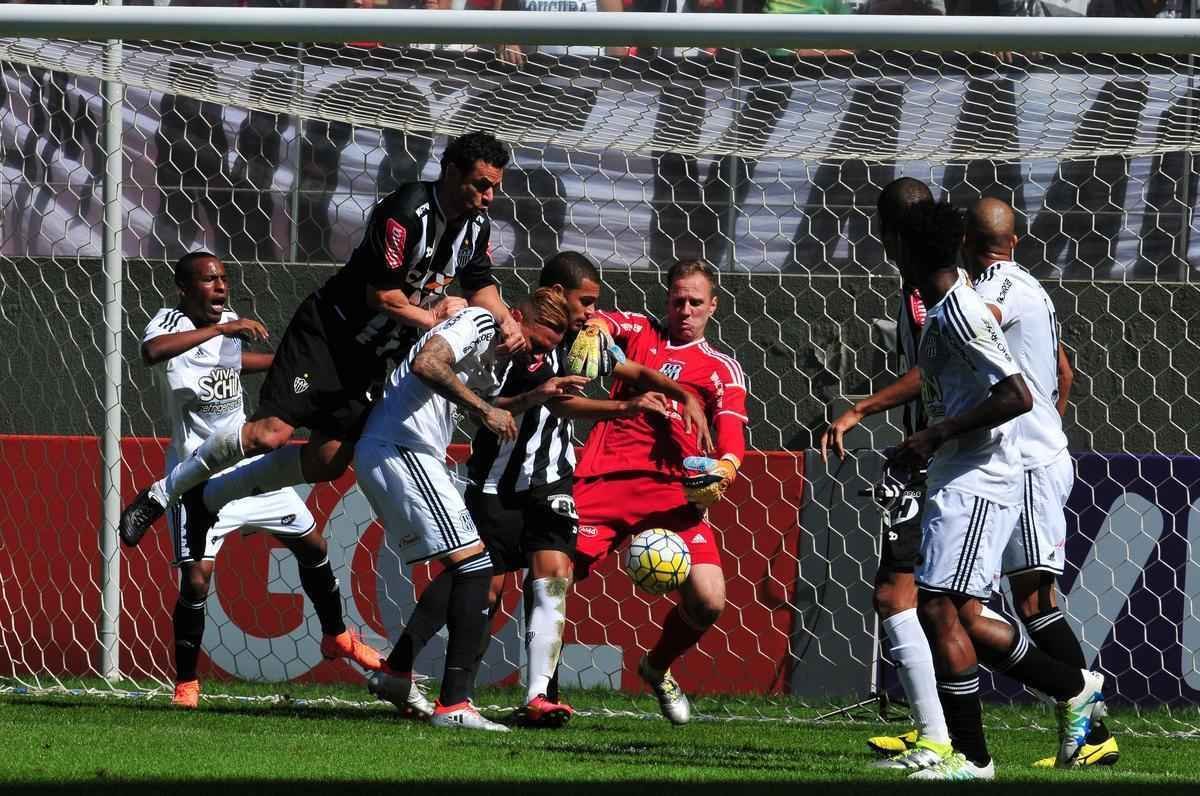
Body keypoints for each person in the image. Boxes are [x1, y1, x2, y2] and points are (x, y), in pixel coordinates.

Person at [119, 131, 524, 548]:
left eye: (495, 186)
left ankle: (210, 497)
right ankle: (160, 495)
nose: (490, 196)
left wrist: (506, 319)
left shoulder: (476, 225)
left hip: (376, 355)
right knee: (269, 434)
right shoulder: (405, 212)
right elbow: (382, 296)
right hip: (330, 335)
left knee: (329, 460)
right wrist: (434, 317)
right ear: (453, 172)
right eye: (481, 184)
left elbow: (480, 284)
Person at [370, 251, 712, 727]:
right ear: (554, 295)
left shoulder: (581, 338)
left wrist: (681, 393)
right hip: (499, 480)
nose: (594, 311)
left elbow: (624, 369)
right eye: (585, 301)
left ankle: (538, 697)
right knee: (479, 586)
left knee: (553, 573)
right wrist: (621, 411)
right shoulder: (516, 339)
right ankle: (401, 666)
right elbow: (537, 404)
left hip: (552, 477)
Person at [889, 200, 1105, 780]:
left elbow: (1016, 394)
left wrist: (933, 434)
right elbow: (1057, 373)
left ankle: (975, 757)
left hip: (987, 473)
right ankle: (1074, 690)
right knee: (961, 610)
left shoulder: (972, 304)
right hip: (970, 470)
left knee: (948, 606)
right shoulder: (956, 303)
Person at [141, 252, 382, 710]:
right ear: (184, 288)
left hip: (244, 465)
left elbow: (230, 364)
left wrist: (280, 363)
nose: (221, 288)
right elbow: (151, 353)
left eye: (224, 279)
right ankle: (186, 685)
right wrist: (220, 330)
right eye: (210, 280)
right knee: (196, 579)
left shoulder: (228, 322)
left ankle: (337, 637)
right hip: (196, 473)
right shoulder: (169, 321)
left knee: (312, 544)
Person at [357, 289, 570, 731]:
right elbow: (427, 364)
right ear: (514, 317)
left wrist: (536, 396)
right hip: (400, 447)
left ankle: (398, 674)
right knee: (476, 569)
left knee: (471, 567)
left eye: (545, 352)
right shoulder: (477, 322)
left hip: (414, 452)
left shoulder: (503, 361)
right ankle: (453, 704)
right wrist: (484, 408)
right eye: (533, 341)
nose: (534, 354)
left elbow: (487, 409)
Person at [964, 198, 1118, 768]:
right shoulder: (1032, 285)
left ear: (965, 243)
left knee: (1028, 598)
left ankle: (1089, 718)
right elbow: (1063, 370)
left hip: (1027, 461)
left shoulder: (997, 288)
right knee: (1021, 598)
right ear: (1017, 239)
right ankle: (1088, 723)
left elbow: (979, 324)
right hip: (1033, 453)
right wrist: (1049, 418)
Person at [566, 258, 748, 725]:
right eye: (677, 301)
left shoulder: (721, 369)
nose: (684, 310)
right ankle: (540, 693)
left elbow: (731, 441)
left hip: (673, 496)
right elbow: (601, 319)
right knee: (555, 578)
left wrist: (724, 471)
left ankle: (656, 666)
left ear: (713, 306)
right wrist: (594, 329)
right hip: (606, 480)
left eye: (694, 302)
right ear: (666, 301)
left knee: (709, 600)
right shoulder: (642, 331)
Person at [820, 178, 954, 772]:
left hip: (939, 461)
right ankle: (939, 729)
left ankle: (936, 737)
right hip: (941, 456)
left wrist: (860, 408)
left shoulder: (930, 294)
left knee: (903, 597)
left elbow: (932, 371)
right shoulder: (934, 285)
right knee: (947, 602)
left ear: (884, 232)